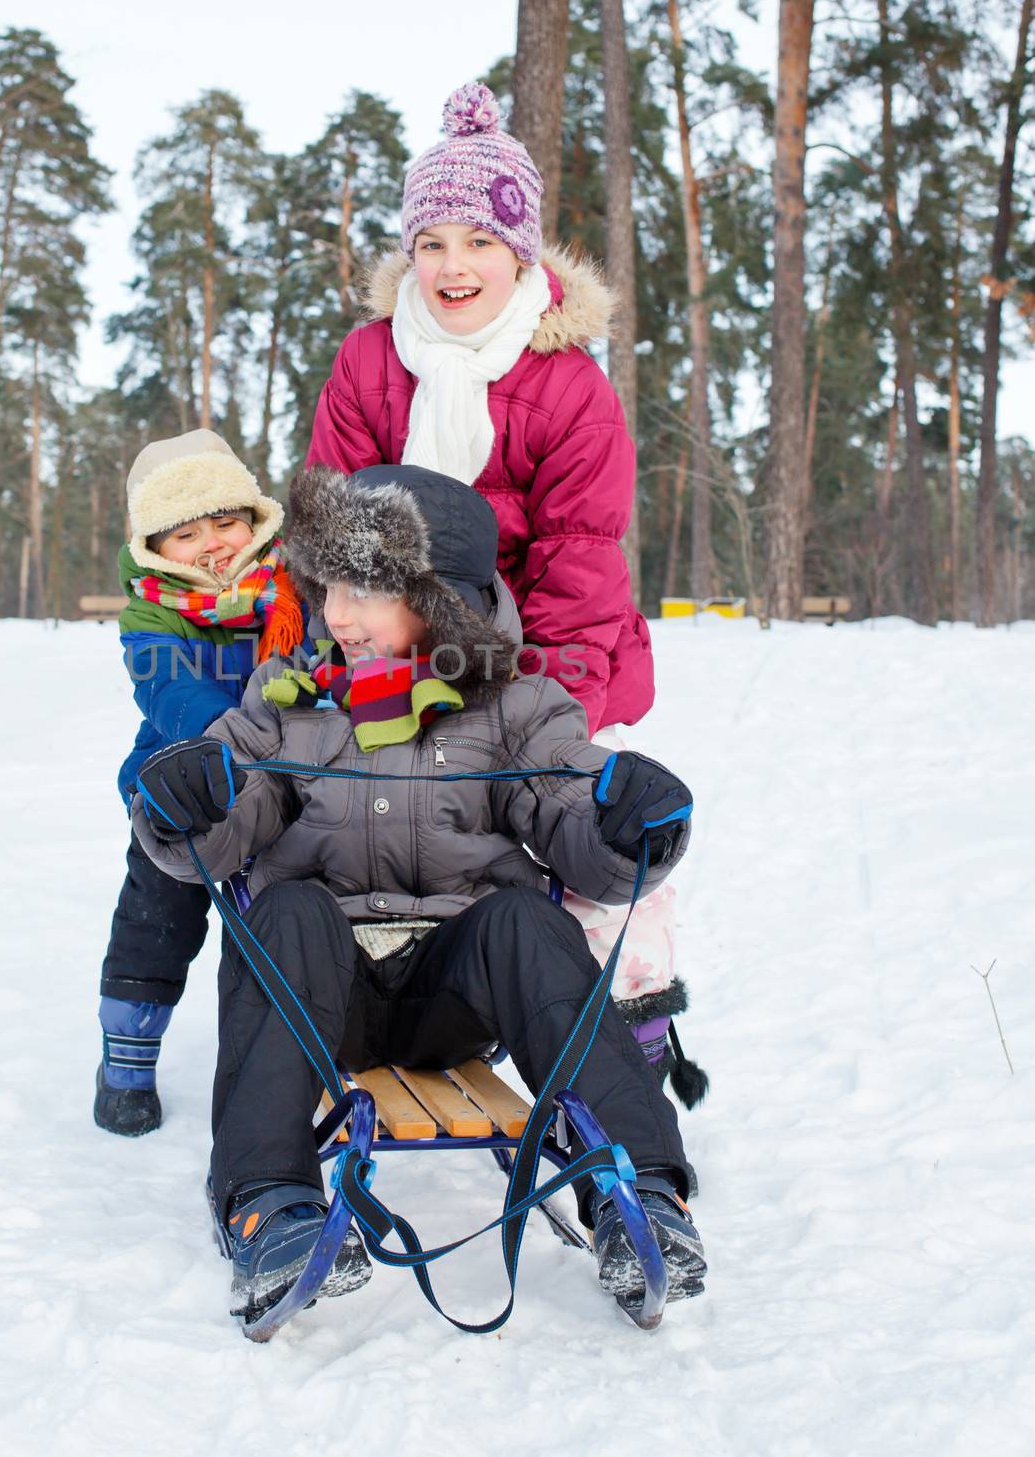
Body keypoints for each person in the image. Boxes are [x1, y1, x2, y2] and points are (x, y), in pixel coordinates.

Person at [132, 463, 707, 1328]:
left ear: (440, 598)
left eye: (363, 588)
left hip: (455, 989)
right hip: (322, 990)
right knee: (278, 909)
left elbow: (577, 830)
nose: (334, 613)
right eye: (326, 585)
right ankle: (267, 1206)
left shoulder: (519, 706)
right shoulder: (287, 700)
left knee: (525, 919)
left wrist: (632, 827)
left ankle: (642, 1195)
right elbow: (226, 823)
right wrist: (186, 809)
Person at [306, 80, 701, 1098]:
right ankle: (377, 992)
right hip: (394, 644)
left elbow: (579, 551)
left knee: (581, 816)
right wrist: (337, 649)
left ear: (519, 253)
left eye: (477, 243)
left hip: (544, 649)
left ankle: (633, 1026)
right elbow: (333, 528)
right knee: (359, 814)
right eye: (431, 242)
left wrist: (538, 698)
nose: (452, 267)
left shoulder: (568, 382)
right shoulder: (368, 361)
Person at [94, 429, 303, 1137]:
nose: (212, 543)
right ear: (155, 547)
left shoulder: (290, 597)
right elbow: (168, 693)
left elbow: (321, 672)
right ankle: (127, 1052)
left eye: (224, 521)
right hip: (182, 794)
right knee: (156, 923)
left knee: (275, 927)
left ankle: (275, 1054)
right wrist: (229, 741)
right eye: (186, 533)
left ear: (253, 521)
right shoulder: (150, 616)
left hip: (279, 795)